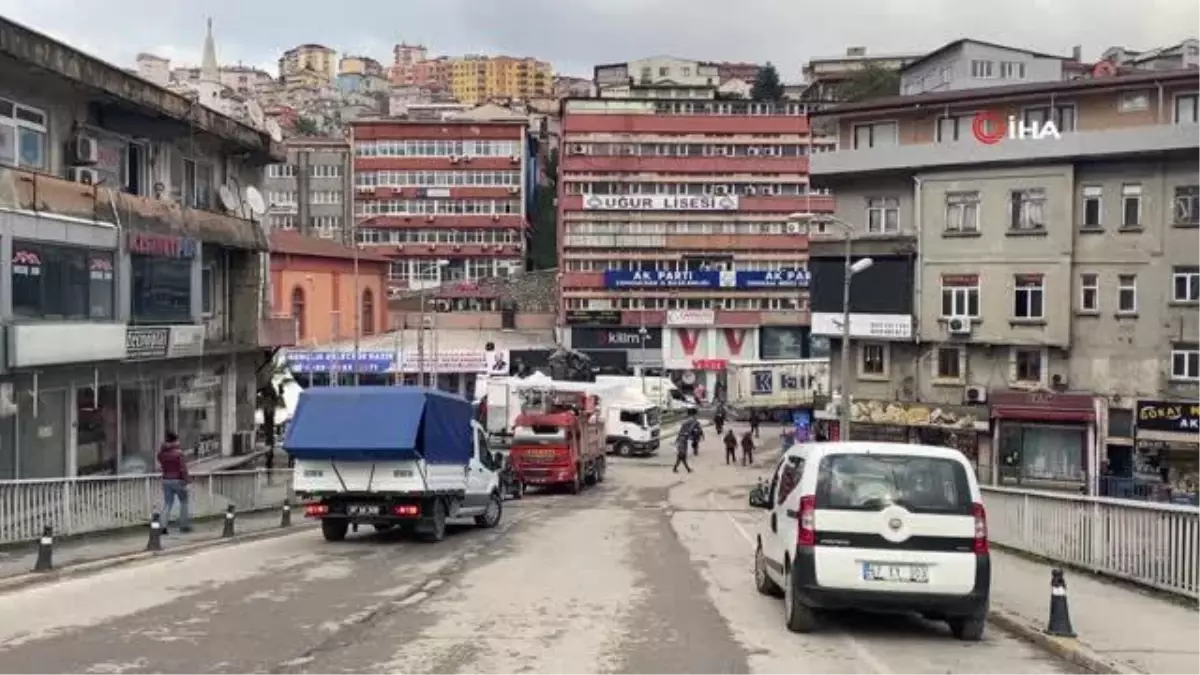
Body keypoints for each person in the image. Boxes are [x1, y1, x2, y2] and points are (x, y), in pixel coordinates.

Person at [158, 431, 192, 534]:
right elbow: (183, 468)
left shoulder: (162, 454)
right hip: (178, 480)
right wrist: (186, 480)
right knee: (184, 502)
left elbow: (160, 462)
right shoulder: (179, 453)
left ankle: (162, 526)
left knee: (168, 503)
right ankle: (184, 525)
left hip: (166, 480)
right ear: (175, 440)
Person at [674, 408, 699, 474]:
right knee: (682, 455)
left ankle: (676, 468)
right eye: (695, 415)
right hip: (682, 438)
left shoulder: (693, 421)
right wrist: (686, 433)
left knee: (681, 457)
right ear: (693, 415)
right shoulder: (690, 420)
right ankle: (688, 469)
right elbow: (683, 424)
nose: (697, 416)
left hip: (684, 438)